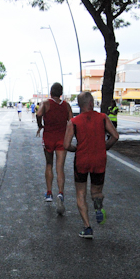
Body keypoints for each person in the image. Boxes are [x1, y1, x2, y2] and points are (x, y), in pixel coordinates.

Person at [63, 91, 119, 239]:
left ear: (80, 105)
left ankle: (87, 227)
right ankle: (98, 205)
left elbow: (66, 145)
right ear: (91, 103)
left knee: (81, 193)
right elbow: (115, 136)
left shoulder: (73, 122)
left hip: (82, 160)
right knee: (96, 191)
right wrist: (105, 147)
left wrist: (76, 149)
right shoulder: (103, 118)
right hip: (99, 159)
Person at [36, 82, 72, 214]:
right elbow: (71, 121)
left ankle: (49, 192)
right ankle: (61, 193)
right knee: (60, 167)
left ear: (51, 92)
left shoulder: (46, 103)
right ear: (61, 93)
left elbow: (39, 114)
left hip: (49, 138)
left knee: (49, 164)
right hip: (62, 138)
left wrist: (40, 125)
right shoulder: (66, 105)